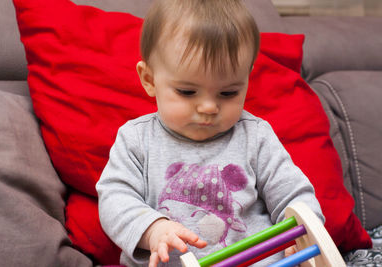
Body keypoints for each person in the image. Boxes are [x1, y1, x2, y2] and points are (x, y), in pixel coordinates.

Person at [96, 0, 324, 266]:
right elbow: (115, 199)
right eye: (187, 91)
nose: (208, 107)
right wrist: (152, 229)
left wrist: (298, 234)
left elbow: (295, 195)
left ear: (247, 80)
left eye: (228, 93)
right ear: (149, 80)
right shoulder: (136, 140)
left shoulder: (256, 136)